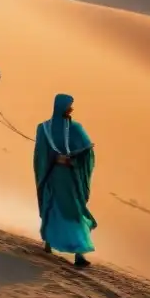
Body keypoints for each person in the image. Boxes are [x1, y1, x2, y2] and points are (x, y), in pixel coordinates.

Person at [33, 94, 97, 268]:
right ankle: (49, 242)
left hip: (71, 179)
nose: (71, 109)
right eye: (69, 106)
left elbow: (87, 153)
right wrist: (55, 160)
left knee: (75, 212)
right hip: (53, 177)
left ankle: (79, 254)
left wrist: (73, 161)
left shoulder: (76, 129)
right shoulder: (44, 128)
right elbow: (40, 155)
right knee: (51, 208)